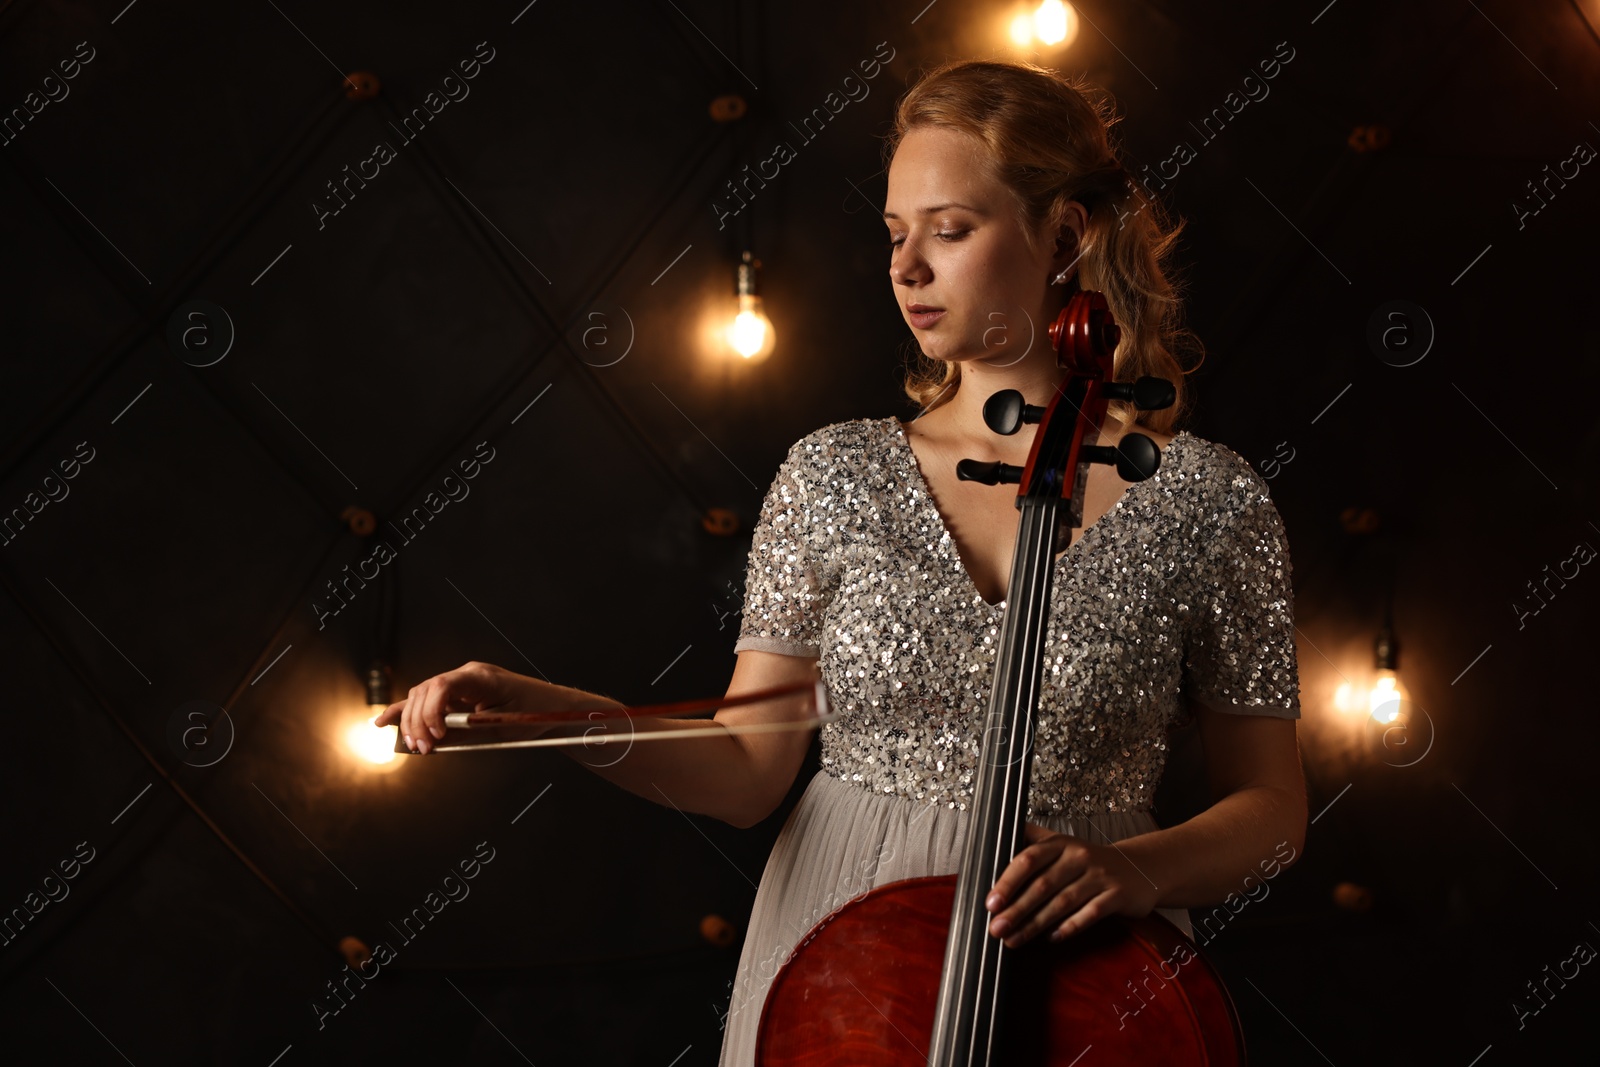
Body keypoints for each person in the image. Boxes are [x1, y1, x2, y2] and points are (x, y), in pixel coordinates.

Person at [375, 59, 1307, 1066]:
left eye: (949, 230)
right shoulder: (834, 474)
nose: (907, 267)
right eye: (895, 234)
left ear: (1065, 235)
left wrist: (1136, 867)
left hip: (1085, 973)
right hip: (842, 966)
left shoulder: (1209, 500)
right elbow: (745, 767)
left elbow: (1272, 809)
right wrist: (551, 715)